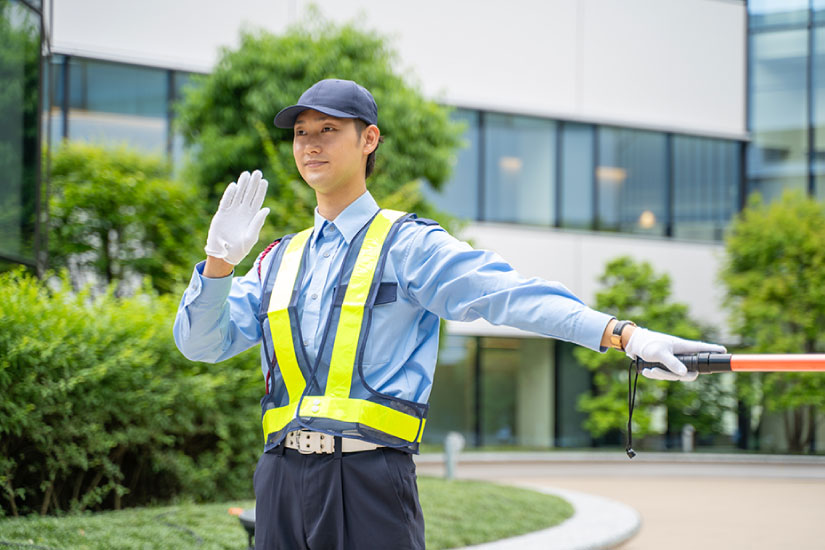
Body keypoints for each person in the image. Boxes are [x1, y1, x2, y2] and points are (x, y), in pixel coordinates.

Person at [173, 78, 725, 550]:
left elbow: (508, 294)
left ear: (369, 140)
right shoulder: (278, 259)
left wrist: (623, 335)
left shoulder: (406, 244)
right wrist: (219, 264)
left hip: (369, 477)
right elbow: (201, 344)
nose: (310, 145)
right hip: (279, 477)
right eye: (300, 133)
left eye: (328, 130)